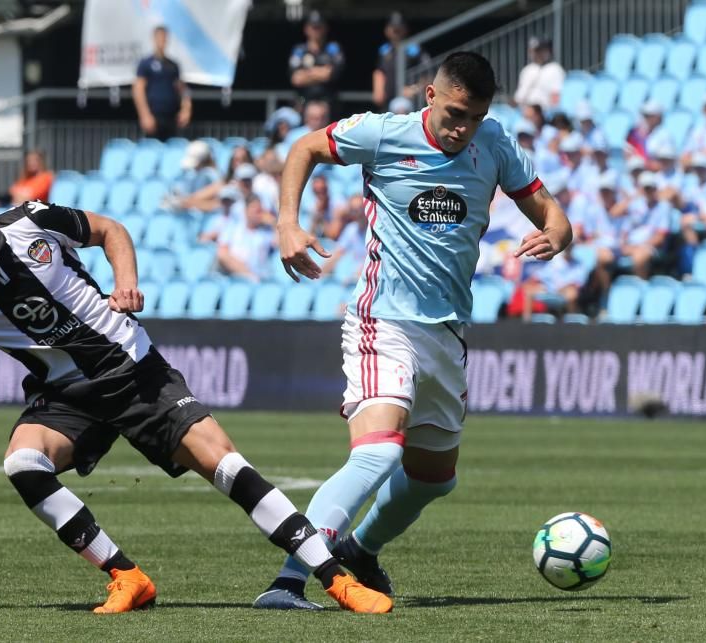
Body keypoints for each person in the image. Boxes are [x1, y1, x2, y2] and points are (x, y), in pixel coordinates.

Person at [0, 166, 391, 615]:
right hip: (69, 396)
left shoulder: (30, 221)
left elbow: (109, 230)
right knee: (22, 462)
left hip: (134, 370)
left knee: (226, 466)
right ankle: (127, 576)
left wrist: (127, 283)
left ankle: (335, 579)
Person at [254, 52, 571, 610]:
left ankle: (360, 548)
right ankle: (289, 580)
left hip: (446, 333)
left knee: (433, 477)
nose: (461, 128)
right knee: (377, 455)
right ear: (430, 96)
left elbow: (552, 213)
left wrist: (558, 233)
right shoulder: (381, 134)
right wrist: (287, 222)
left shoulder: (493, 143)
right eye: (453, 113)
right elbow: (304, 147)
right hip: (383, 320)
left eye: (472, 117)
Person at [133, 25, 191, 141]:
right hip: (154, 115)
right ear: (154, 39)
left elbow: (183, 90)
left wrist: (186, 109)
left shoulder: (173, 65)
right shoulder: (146, 63)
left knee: (171, 149)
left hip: (171, 116)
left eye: (164, 38)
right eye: (159, 37)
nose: (162, 41)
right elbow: (138, 90)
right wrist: (145, 115)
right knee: (152, 149)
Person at [372, 12, 432, 110]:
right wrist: (378, 89)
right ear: (386, 30)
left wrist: (414, 89)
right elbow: (379, 71)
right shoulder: (384, 50)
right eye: (393, 28)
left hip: (409, 104)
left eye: (398, 28)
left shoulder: (415, 49)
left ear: (406, 28)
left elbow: (428, 75)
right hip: (387, 103)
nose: (395, 31)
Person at [288, 11, 345, 110]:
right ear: (306, 29)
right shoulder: (299, 50)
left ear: (325, 28)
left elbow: (330, 74)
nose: (316, 31)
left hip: (328, 103)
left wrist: (307, 73)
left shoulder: (333, 48)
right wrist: (320, 72)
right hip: (303, 103)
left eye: (319, 27)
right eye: (313, 27)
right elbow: (296, 79)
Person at [216, 194, 278, 282]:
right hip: (234, 279)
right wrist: (248, 274)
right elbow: (222, 254)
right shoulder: (233, 228)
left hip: (261, 279)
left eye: (260, 211)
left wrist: (273, 223)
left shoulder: (265, 233)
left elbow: (279, 244)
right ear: (246, 210)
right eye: (255, 210)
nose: (259, 214)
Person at [513, 37, 565, 112]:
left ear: (547, 51)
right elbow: (519, 96)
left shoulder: (555, 69)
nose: (535, 54)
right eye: (533, 50)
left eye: (539, 50)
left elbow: (556, 96)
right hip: (524, 113)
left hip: (544, 113)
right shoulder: (526, 70)